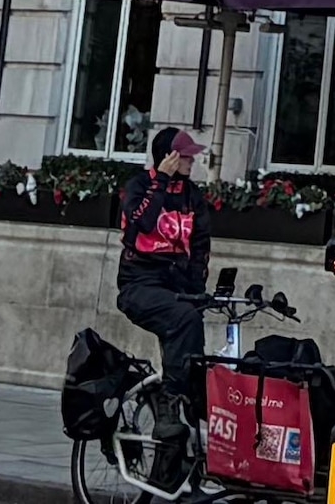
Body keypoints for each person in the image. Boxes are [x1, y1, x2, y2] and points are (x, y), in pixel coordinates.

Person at [113, 119, 220, 465]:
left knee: (194, 351)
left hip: (176, 286)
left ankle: (172, 460)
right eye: (185, 156)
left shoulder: (193, 196)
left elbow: (200, 246)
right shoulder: (140, 185)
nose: (192, 161)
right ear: (168, 157)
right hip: (139, 284)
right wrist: (159, 181)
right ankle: (169, 402)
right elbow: (140, 224)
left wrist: (198, 289)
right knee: (183, 320)